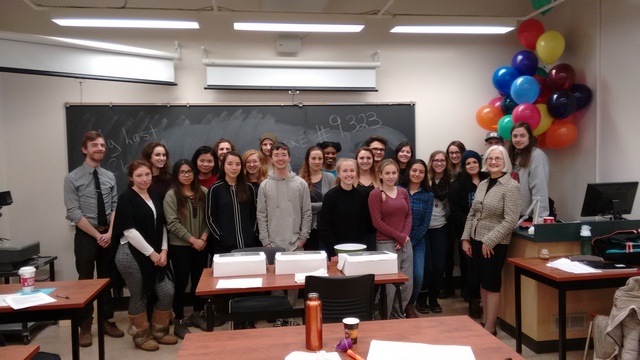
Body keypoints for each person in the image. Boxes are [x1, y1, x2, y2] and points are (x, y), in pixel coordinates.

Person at [63, 131, 124, 347]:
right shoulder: (72, 178)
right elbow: (74, 212)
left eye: (103, 145)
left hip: (107, 234)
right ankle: (85, 326)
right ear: (84, 149)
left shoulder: (109, 176)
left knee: (107, 279)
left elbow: (115, 206)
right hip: (87, 236)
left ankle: (108, 321)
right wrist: (98, 235)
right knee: (86, 281)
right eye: (95, 145)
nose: (100, 148)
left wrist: (109, 233)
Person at [113, 160, 176, 351]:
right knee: (139, 294)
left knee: (167, 290)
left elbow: (162, 226)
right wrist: (152, 254)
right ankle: (140, 335)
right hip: (131, 255)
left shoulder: (154, 196)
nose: (144, 179)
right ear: (131, 177)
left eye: (147, 175)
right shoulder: (126, 198)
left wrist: (164, 250)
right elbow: (129, 231)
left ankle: (159, 331)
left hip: (156, 253)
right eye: (139, 175)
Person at [461, 145, 522, 336]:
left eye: (498, 159)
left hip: (495, 244)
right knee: (482, 282)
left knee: (491, 284)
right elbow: (472, 213)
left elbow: (510, 219)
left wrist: (490, 241)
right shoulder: (483, 184)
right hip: (477, 240)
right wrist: (466, 238)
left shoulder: (511, 186)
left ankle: (490, 328)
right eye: (490, 159)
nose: (493, 162)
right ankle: (484, 320)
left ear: (505, 162)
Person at [256, 142, 311, 326]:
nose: (280, 158)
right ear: (271, 158)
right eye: (276, 154)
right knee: (276, 283)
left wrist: (303, 238)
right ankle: (278, 315)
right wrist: (265, 241)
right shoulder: (265, 185)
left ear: (289, 157)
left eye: (284, 154)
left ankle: (288, 315)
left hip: (295, 242)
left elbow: (307, 212)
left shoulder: (300, 183)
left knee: (294, 283)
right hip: (273, 244)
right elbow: (261, 215)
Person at [163, 159, 209, 339]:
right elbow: (172, 223)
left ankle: (197, 314)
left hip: (201, 244)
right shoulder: (171, 195)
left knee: (199, 281)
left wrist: (203, 237)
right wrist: (192, 240)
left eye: (190, 171)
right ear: (176, 175)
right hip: (180, 246)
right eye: (182, 172)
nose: (187, 175)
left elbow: (209, 218)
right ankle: (179, 320)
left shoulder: (203, 192)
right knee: (182, 282)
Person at [368, 159, 412, 319]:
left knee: (407, 284)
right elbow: (377, 222)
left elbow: (408, 215)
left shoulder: (403, 192)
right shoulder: (375, 194)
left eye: (394, 173)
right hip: (386, 245)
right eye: (387, 173)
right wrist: (398, 236)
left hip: (405, 244)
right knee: (389, 288)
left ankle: (398, 315)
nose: (391, 176)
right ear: (380, 175)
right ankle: (384, 318)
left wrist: (404, 237)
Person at [448, 150, 488, 319]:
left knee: (486, 269)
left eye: (475, 162)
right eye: (468, 163)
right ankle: (473, 301)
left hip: (488, 232)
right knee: (471, 268)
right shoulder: (457, 185)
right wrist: (472, 226)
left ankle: (487, 302)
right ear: (464, 166)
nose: (472, 165)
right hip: (467, 233)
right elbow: (455, 212)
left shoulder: (489, 181)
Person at [416, 150, 451, 314]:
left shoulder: (450, 181)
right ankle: (421, 299)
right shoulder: (425, 180)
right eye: (436, 160)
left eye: (442, 160)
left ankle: (433, 298)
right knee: (426, 267)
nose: (439, 163)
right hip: (423, 229)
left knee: (438, 267)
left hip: (440, 227)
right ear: (431, 162)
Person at [398, 159, 433, 319]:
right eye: (414, 170)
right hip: (395, 239)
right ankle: (396, 307)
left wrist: (410, 240)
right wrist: (400, 238)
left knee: (418, 276)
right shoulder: (397, 190)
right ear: (409, 171)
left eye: (421, 171)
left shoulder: (428, 195)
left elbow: (425, 222)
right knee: (396, 275)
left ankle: (410, 306)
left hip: (417, 241)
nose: (417, 174)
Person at [206, 151, 259, 254]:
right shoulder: (215, 189)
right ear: (223, 166)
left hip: (249, 244)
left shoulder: (249, 188)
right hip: (224, 245)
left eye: (238, 164)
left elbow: (255, 214)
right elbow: (210, 217)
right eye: (230, 164)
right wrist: (220, 236)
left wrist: (252, 233)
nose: (234, 168)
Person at [318, 158, 368, 261]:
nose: (349, 174)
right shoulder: (330, 196)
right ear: (339, 174)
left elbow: (363, 225)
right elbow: (325, 226)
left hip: (356, 249)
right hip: (335, 251)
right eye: (345, 171)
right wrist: (333, 252)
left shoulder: (361, 196)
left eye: (352, 170)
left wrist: (359, 248)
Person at [508, 122, 550, 220]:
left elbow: (540, 189)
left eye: (522, 136)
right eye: (515, 136)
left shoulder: (537, 156)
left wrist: (539, 219)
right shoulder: (512, 155)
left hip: (528, 216)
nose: (518, 139)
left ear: (530, 138)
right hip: (511, 215)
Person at [298, 146, 335, 251]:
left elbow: (333, 204)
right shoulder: (299, 180)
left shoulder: (330, 178)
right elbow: (300, 206)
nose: (317, 161)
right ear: (307, 159)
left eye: (320, 158)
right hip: (306, 230)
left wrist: (310, 206)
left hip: (326, 228)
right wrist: (323, 205)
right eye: (313, 158)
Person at [355, 146, 379, 251]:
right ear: (356, 159)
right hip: (355, 230)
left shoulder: (380, 178)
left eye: (368, 158)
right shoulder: (350, 177)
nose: (365, 161)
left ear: (373, 160)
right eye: (361, 158)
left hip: (375, 231)